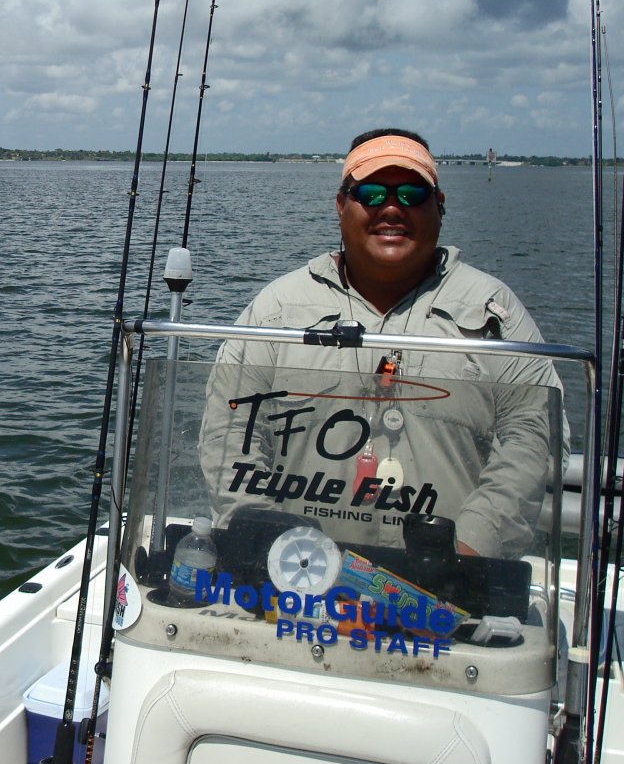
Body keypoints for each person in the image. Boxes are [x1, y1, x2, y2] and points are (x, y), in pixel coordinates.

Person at [198, 129, 563, 559]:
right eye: (370, 193)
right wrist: (263, 533)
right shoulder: (274, 309)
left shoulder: (497, 313)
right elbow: (228, 430)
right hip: (297, 578)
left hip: (449, 590)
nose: (392, 208)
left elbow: (534, 436)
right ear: (340, 206)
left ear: (439, 207)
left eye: (412, 194)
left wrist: (469, 549)